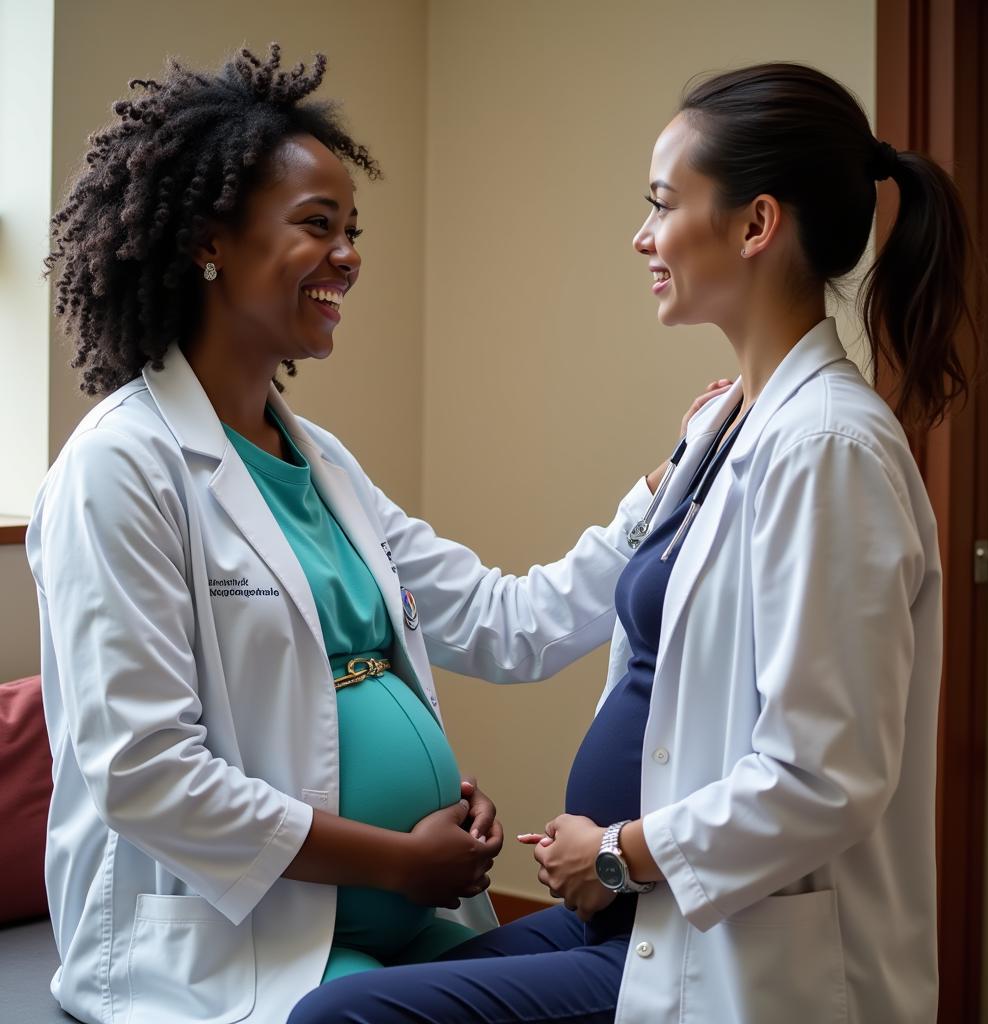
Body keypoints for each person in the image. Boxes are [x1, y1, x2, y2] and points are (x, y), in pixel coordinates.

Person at [28, 45, 719, 1024]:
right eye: (318, 226)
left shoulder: (323, 465)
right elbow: (148, 776)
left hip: (384, 910)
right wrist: (398, 855)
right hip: (234, 940)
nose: (349, 255)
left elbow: (504, 622)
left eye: (353, 230)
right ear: (207, 241)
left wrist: (658, 491)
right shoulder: (120, 469)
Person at [288, 62, 972, 1024]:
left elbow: (825, 777)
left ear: (755, 224)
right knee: (363, 989)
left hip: (726, 944)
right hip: (642, 914)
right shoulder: (728, 427)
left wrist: (618, 850)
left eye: (662, 204)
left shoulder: (828, 449)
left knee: (340, 1020)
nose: (643, 236)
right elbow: (558, 615)